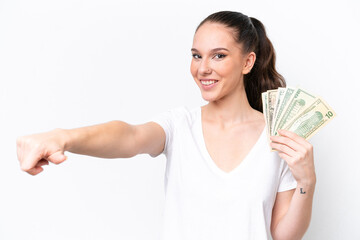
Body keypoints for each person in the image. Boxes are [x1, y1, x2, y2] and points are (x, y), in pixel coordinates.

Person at [16, 10, 316, 240]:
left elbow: (282, 235)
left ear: (248, 62)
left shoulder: (280, 137)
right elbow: (129, 136)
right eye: (196, 56)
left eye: (219, 56)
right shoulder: (180, 126)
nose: (202, 68)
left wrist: (306, 182)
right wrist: (62, 137)